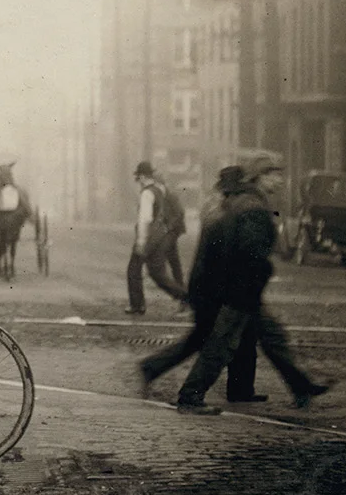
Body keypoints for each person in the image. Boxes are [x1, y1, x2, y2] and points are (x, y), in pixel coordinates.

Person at [174, 150, 330, 414]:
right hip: (241, 290)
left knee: (272, 337)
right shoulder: (252, 206)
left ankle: (301, 386)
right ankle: (190, 395)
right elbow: (248, 252)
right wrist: (262, 271)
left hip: (243, 289)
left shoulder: (248, 201)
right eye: (275, 174)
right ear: (260, 177)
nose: (280, 180)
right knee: (222, 344)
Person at [138, 166, 263, 403]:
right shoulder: (225, 210)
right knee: (209, 339)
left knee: (231, 336)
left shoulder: (217, 207)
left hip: (209, 285)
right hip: (214, 288)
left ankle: (240, 389)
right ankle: (165, 376)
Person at [125, 161, 187, 315]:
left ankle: (137, 305)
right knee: (157, 274)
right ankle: (187, 297)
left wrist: (141, 241)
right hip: (159, 237)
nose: (138, 181)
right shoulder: (160, 190)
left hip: (147, 238)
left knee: (133, 270)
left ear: (143, 176)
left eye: (138, 177)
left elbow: (145, 219)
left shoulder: (147, 193)